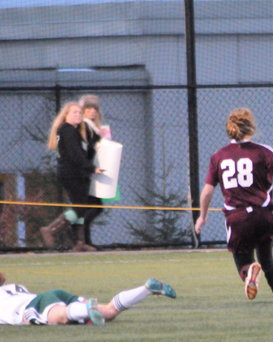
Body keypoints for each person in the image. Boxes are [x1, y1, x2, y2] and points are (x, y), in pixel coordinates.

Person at [194, 108, 273, 318]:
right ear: (251, 127)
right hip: (263, 215)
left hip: (237, 218)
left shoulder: (218, 156)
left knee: (243, 263)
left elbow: (207, 191)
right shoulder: (264, 151)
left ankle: (249, 272)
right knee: (268, 262)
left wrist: (202, 216)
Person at [41, 102, 104, 252]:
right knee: (79, 207)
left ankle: (79, 242)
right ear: (66, 115)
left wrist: (96, 141)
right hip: (72, 174)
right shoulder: (67, 130)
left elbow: (82, 151)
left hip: (75, 173)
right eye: (74, 112)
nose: (78, 115)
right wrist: (92, 168)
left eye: (79, 113)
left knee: (81, 206)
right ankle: (50, 229)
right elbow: (75, 154)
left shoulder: (72, 131)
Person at [0, 272, 176, 326]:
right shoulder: (12, 287)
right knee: (109, 312)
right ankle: (147, 289)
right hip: (51, 296)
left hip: (34, 305)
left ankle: (86, 309)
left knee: (59, 318)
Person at [78, 94, 111, 248]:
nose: (92, 111)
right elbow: (88, 148)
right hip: (86, 171)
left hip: (95, 171)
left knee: (94, 206)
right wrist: (99, 140)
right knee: (94, 207)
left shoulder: (94, 127)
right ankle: (83, 239)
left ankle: (84, 239)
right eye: (89, 108)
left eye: (94, 109)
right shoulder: (84, 126)